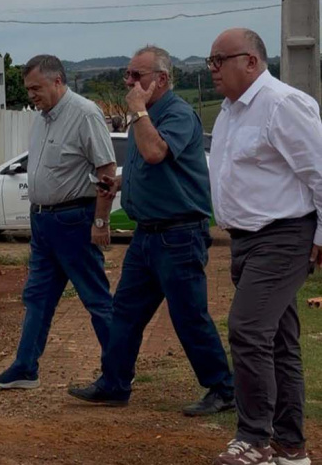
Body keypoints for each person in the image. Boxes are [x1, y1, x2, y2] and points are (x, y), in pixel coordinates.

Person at [68, 45, 234, 415]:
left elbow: (156, 153)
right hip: (147, 235)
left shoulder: (177, 114)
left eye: (136, 75)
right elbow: (146, 166)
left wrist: (139, 112)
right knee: (125, 312)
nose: (129, 82)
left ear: (161, 79)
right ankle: (114, 384)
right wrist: (120, 183)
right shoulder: (145, 116)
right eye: (127, 74)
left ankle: (223, 389)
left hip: (180, 234)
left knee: (188, 315)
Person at [207, 28, 321, 465]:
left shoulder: (282, 104)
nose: (213, 69)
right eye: (211, 61)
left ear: (251, 61)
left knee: (248, 330)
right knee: (278, 342)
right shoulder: (229, 111)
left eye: (220, 60)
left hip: (283, 235)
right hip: (246, 240)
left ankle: (255, 438)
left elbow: (319, 171)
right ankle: (291, 448)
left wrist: (321, 236)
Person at [0, 54, 116, 389]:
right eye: (28, 89)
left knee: (96, 299)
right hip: (43, 222)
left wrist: (100, 222)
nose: (31, 95)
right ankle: (25, 368)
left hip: (74, 221)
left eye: (36, 88)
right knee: (37, 297)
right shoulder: (42, 119)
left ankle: (117, 374)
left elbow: (106, 171)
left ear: (57, 81)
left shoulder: (85, 114)